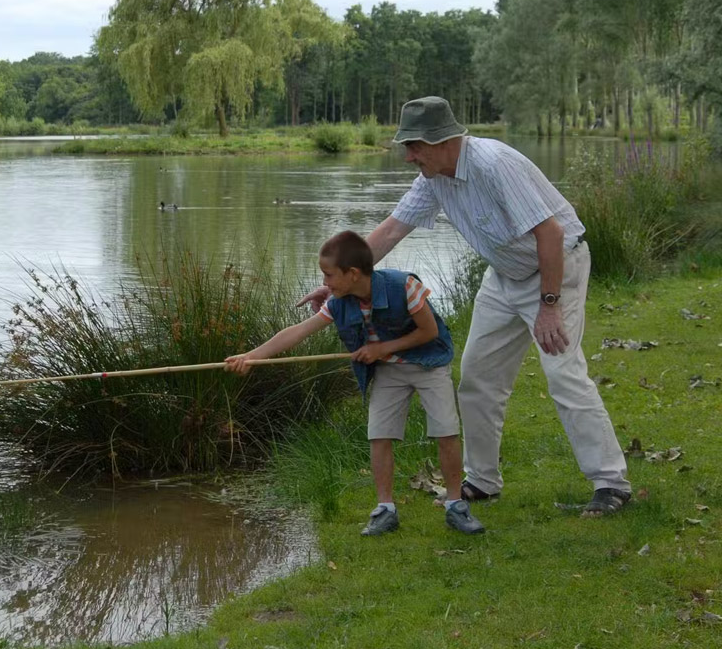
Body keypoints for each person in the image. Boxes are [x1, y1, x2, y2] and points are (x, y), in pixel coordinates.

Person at [301, 96, 631, 516]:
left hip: (555, 270)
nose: (408, 156)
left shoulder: (494, 165)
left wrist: (549, 305)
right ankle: (482, 481)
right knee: (477, 377)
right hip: (504, 275)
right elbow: (390, 232)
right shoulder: (433, 177)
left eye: (414, 146)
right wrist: (337, 288)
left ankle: (610, 483)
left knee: (563, 373)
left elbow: (549, 233)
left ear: (442, 141)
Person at [225, 230, 484, 536]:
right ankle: (385, 510)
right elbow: (299, 331)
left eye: (328, 275)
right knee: (379, 435)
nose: (324, 283)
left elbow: (429, 333)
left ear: (353, 273)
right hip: (389, 371)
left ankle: (455, 505)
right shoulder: (338, 301)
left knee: (446, 431)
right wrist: (251, 357)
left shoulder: (404, 286)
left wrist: (381, 348)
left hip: (429, 363)